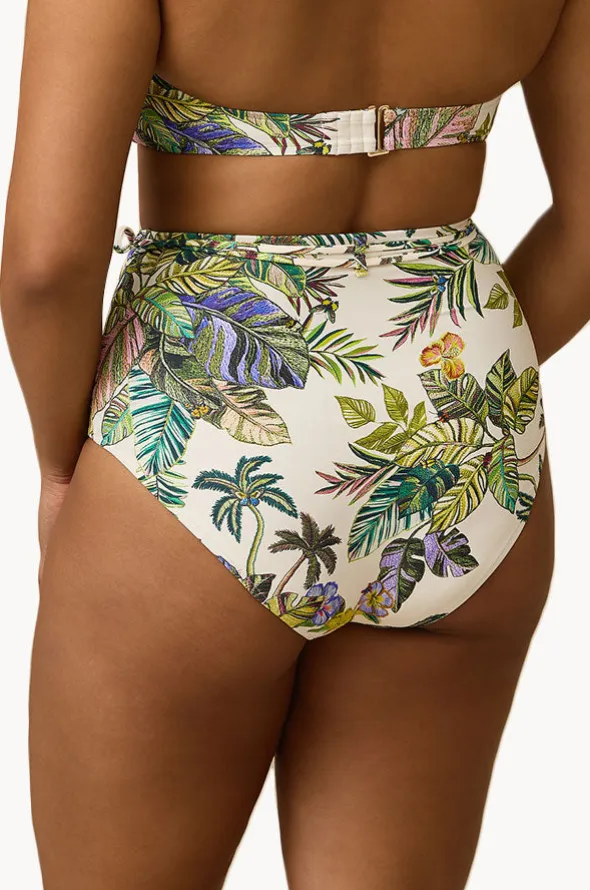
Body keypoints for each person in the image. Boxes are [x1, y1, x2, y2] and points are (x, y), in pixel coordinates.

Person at [0, 0, 586, 887]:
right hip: (465, 447)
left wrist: (55, 469)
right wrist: (445, 388)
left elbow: (46, 264)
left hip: (210, 429)